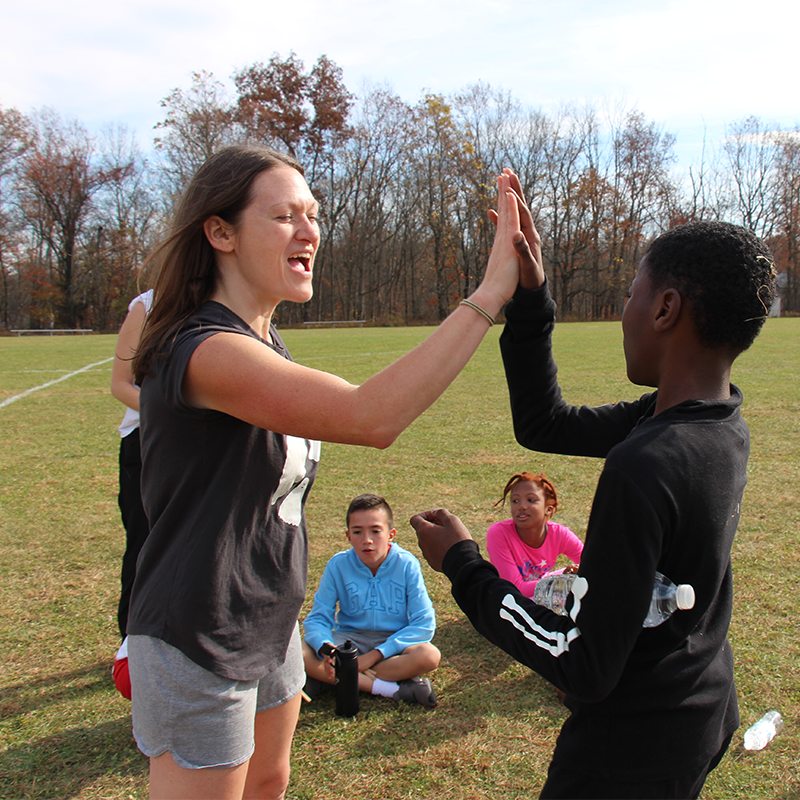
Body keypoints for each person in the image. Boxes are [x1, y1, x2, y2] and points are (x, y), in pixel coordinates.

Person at [126, 145, 523, 800]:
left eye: (313, 214)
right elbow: (372, 417)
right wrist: (490, 293)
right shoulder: (203, 349)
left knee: (270, 781)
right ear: (219, 232)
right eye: (285, 216)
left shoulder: (264, 342)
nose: (310, 231)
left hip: (269, 616)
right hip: (198, 629)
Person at [412, 175, 778, 800]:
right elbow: (543, 423)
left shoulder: (646, 460)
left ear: (665, 310)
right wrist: (531, 298)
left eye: (633, 295)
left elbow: (585, 665)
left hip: (630, 752)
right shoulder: (716, 419)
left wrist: (464, 566)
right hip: (701, 709)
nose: (624, 311)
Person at [303, 494, 440, 708]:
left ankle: (329, 680)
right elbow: (318, 618)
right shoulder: (338, 565)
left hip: (392, 647)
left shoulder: (407, 565)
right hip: (348, 643)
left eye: (375, 531)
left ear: (390, 534)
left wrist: (376, 655)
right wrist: (326, 647)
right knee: (299, 650)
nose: (367, 540)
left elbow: (424, 623)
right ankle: (392, 689)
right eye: (357, 532)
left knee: (429, 656)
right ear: (348, 536)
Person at [109, 288, 154, 640]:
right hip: (146, 441)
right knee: (143, 544)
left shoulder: (225, 299)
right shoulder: (146, 305)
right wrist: (172, 413)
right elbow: (120, 385)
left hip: (201, 442)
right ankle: (131, 643)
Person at [486, 472, 582, 597]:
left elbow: (594, 563)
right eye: (515, 501)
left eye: (531, 500)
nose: (522, 506)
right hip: (508, 600)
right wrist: (562, 579)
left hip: (539, 593)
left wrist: (573, 573)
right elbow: (515, 589)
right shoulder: (499, 533)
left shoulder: (560, 534)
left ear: (548, 509)